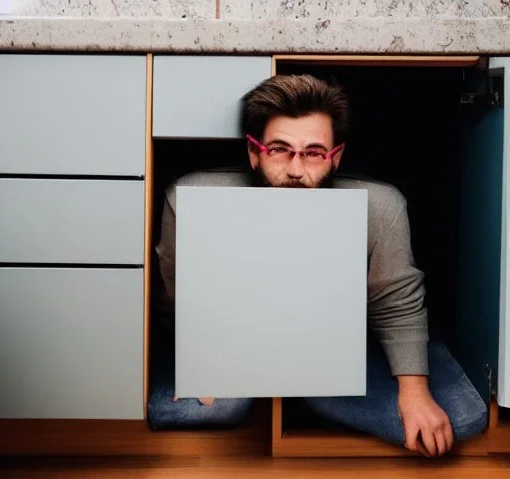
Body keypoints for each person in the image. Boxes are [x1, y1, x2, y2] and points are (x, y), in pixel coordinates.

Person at [148, 74, 487, 457]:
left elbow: (395, 304)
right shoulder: (193, 197)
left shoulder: (380, 205)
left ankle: (309, 390)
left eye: (312, 152)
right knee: (196, 410)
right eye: (279, 149)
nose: (295, 170)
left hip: (339, 344)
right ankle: (290, 389)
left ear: (335, 156)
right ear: (254, 152)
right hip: (231, 340)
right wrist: (201, 358)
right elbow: (178, 298)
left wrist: (414, 391)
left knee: (460, 420)